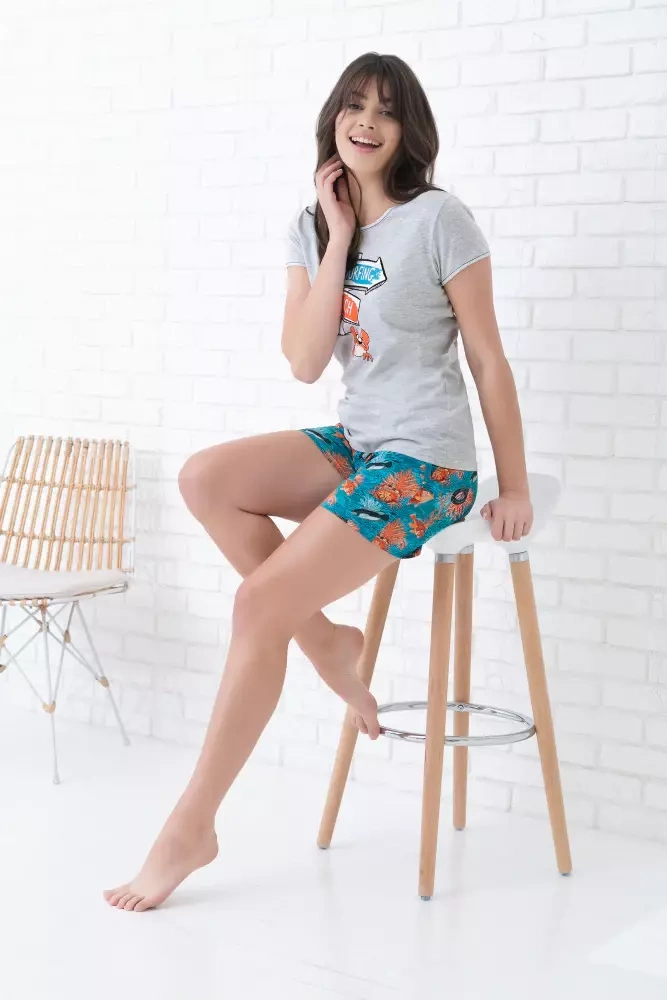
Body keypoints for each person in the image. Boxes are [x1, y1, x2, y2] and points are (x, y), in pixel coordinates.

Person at [104, 52, 533, 912]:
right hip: (361, 441)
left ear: (408, 129)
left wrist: (511, 483)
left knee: (256, 604)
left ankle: (191, 825)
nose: (366, 122)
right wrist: (338, 235)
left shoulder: (440, 219)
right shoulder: (310, 228)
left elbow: (487, 357)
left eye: (386, 110)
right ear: (333, 118)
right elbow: (305, 362)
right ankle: (326, 643)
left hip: (426, 463)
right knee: (207, 479)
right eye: (353, 106)